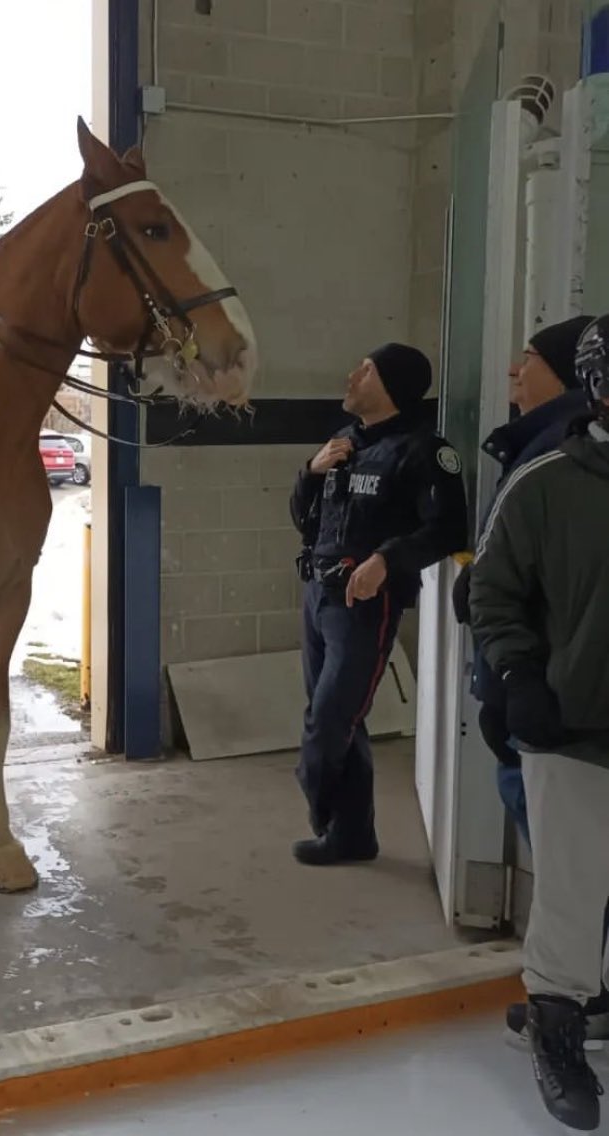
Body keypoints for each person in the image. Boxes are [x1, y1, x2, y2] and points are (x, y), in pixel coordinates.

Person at [470, 312, 609, 1132]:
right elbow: (491, 591)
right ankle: (556, 1023)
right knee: (570, 889)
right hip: (574, 723)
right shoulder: (549, 481)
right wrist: (521, 673)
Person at [289, 343, 468, 866]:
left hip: (365, 604)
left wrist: (387, 561)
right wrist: (312, 471)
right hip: (318, 594)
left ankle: (322, 810)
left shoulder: (422, 451)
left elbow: (447, 528)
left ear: (391, 385)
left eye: (364, 370)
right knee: (340, 720)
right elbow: (305, 517)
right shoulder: (344, 443)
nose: (351, 375)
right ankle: (351, 837)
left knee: (330, 722)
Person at [453, 315, 594, 842]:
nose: (513, 368)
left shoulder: (561, 454)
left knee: (562, 847)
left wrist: (519, 676)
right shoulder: (545, 446)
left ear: (566, 372)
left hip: (547, 689)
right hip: (531, 680)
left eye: (529, 358)